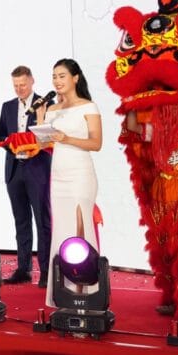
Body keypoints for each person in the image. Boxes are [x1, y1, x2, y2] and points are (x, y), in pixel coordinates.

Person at [36, 58, 102, 307]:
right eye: (54, 76)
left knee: (80, 229)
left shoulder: (88, 106)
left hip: (80, 174)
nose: (57, 81)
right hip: (58, 175)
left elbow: (96, 143)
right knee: (62, 230)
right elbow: (43, 143)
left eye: (62, 76)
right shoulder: (52, 109)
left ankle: (86, 293)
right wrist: (41, 119)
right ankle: (64, 292)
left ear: (75, 78)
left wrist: (67, 138)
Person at [0, 66, 52, 287]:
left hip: (37, 168)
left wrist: (31, 146)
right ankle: (24, 268)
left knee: (42, 220)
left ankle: (46, 270)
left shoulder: (46, 104)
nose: (19, 89)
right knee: (21, 220)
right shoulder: (7, 106)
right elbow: (1, 136)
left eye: (23, 84)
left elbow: (49, 136)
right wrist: (11, 145)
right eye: (16, 85)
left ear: (32, 81)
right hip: (14, 168)